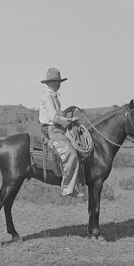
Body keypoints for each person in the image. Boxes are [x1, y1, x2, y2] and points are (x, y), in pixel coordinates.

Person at [39, 68, 84, 198]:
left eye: (59, 81)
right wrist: (69, 119)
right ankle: (67, 188)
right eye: (56, 81)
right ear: (50, 82)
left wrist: (66, 112)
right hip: (53, 129)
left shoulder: (53, 95)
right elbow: (54, 118)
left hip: (59, 127)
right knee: (71, 153)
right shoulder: (47, 96)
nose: (59, 84)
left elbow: (57, 114)